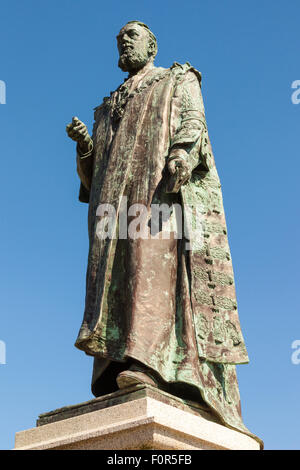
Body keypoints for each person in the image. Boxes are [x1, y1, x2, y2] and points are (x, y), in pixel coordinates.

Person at [66, 21, 260, 444]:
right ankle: (119, 365)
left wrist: (181, 156)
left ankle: (150, 362)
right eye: (119, 38)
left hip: (155, 196)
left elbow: (193, 120)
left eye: (132, 35)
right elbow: (92, 175)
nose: (123, 41)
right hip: (111, 209)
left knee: (149, 270)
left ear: (151, 45)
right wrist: (85, 149)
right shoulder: (107, 106)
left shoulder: (176, 78)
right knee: (112, 282)